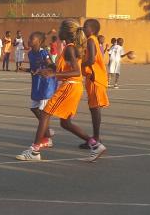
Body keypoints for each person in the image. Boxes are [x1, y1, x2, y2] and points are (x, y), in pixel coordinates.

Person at [15, 19, 105, 162]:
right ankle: (95, 145)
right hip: (72, 86)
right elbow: (64, 68)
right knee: (65, 123)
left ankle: (34, 150)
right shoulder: (68, 48)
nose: (58, 31)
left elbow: (76, 72)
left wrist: (54, 74)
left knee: (45, 113)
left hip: (70, 86)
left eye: (60, 29)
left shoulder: (70, 48)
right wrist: (46, 69)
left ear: (66, 32)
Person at [80, 19, 109, 155]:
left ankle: (96, 139)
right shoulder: (92, 40)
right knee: (93, 108)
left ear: (91, 29)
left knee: (95, 109)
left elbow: (91, 59)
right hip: (92, 78)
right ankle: (95, 138)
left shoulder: (91, 40)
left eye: (85, 27)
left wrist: (80, 64)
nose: (83, 29)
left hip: (95, 78)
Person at [26, 31, 56, 146]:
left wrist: (47, 67)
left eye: (31, 39)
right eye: (29, 39)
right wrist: (27, 70)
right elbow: (34, 69)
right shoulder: (30, 54)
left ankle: (46, 138)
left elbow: (52, 66)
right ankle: (47, 131)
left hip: (46, 83)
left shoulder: (44, 53)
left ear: (38, 42)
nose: (29, 41)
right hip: (37, 83)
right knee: (33, 108)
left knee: (44, 112)